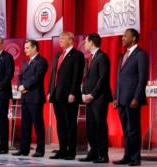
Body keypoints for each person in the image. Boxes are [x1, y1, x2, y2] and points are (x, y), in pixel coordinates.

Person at [113, 28, 149, 166]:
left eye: (125, 36)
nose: (122, 38)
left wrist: (137, 97)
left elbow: (142, 78)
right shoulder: (123, 56)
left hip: (132, 99)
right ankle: (127, 156)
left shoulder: (141, 55)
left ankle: (135, 157)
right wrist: (116, 97)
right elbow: (119, 79)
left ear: (133, 38)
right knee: (126, 130)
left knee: (133, 129)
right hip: (121, 98)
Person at [48, 31, 85, 160]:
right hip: (57, 95)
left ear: (70, 40)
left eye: (63, 39)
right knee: (61, 124)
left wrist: (73, 92)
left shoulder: (77, 55)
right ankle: (62, 149)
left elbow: (77, 75)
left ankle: (71, 151)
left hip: (68, 95)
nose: (60, 41)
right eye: (60, 39)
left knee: (70, 124)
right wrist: (50, 91)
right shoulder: (58, 55)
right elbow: (53, 75)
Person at [78, 33, 113, 163]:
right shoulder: (90, 58)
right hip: (88, 98)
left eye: (86, 42)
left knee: (100, 125)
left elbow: (103, 78)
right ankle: (93, 151)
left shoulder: (102, 57)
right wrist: (83, 94)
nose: (85, 44)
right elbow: (85, 79)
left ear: (92, 42)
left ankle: (103, 154)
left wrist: (92, 94)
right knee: (90, 126)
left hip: (99, 98)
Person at [12, 40, 48, 157]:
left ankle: (40, 149)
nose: (25, 50)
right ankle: (24, 149)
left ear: (34, 48)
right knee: (25, 125)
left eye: (27, 48)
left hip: (35, 97)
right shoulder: (25, 62)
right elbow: (20, 76)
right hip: (25, 97)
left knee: (38, 125)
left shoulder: (41, 61)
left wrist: (25, 86)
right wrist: (20, 87)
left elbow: (38, 77)